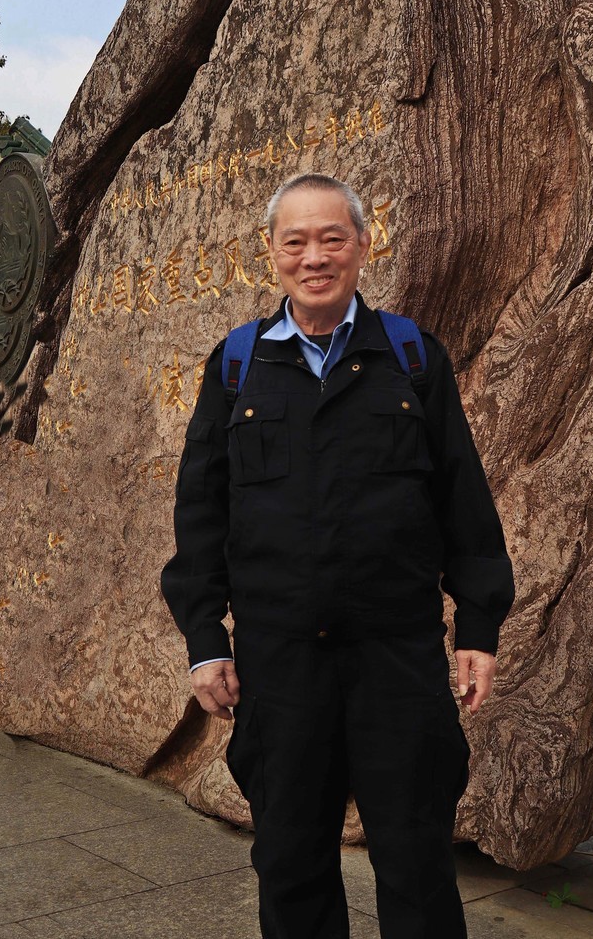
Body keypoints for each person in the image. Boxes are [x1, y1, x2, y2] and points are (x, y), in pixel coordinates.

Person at [161, 173, 515, 939]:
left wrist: (480, 626)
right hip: (281, 668)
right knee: (291, 868)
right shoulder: (237, 366)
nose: (314, 256)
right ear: (273, 253)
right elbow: (200, 514)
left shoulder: (412, 356)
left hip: (398, 664)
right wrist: (203, 641)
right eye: (296, 241)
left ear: (362, 244)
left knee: (418, 868)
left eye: (332, 238)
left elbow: (463, 501)